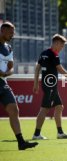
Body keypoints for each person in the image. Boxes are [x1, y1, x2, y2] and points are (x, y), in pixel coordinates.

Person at [0, 21, 38, 150]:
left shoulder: (8, 47)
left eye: (13, 32)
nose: (13, 34)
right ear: (3, 31)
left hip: (2, 82)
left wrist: (6, 73)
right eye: (10, 32)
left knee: (14, 110)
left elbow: (11, 68)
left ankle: (21, 142)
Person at [32, 34, 67, 140]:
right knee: (45, 108)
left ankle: (60, 133)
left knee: (59, 107)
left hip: (47, 84)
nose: (62, 48)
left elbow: (37, 68)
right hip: (50, 85)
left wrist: (36, 83)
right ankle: (36, 134)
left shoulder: (44, 53)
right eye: (61, 45)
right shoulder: (54, 55)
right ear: (56, 43)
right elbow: (59, 69)